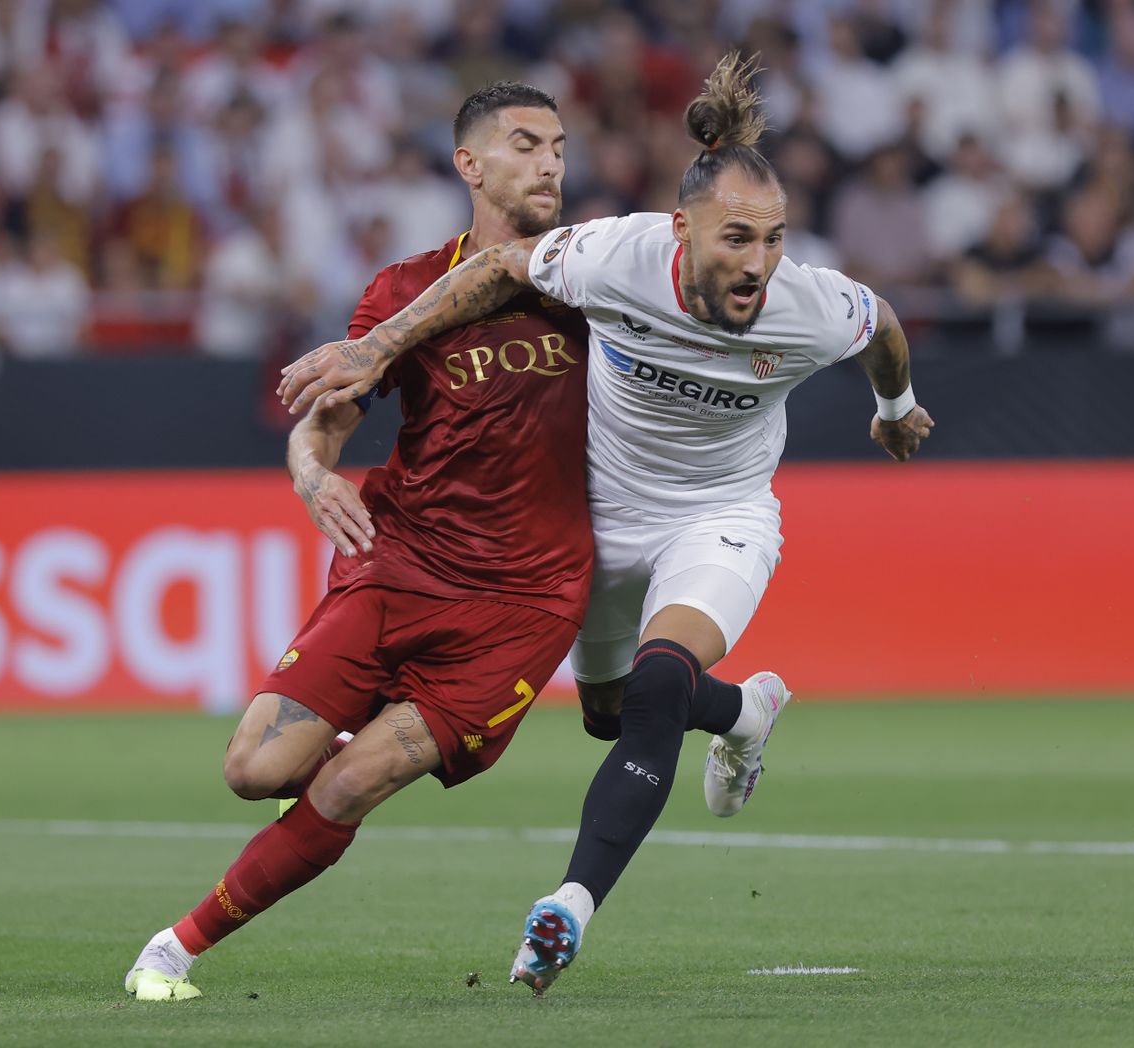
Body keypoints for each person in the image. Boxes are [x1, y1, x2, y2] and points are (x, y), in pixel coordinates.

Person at [277, 52, 935, 996]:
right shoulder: (616, 256)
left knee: (663, 681)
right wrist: (378, 342)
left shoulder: (810, 305)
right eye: (736, 239)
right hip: (607, 519)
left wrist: (896, 404)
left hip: (722, 517)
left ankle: (569, 907)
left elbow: (882, 328)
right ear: (681, 230)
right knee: (609, 713)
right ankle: (747, 712)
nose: (756, 265)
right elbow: (499, 267)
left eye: (775, 240)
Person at [122, 82, 593, 1001]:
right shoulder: (403, 289)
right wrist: (310, 473)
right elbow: (326, 421)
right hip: (403, 562)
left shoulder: (589, 278)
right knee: (255, 771)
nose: (550, 165)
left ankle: (171, 949)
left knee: (348, 786)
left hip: (523, 603)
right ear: (470, 165)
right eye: (527, 145)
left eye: (560, 148)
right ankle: (341, 753)